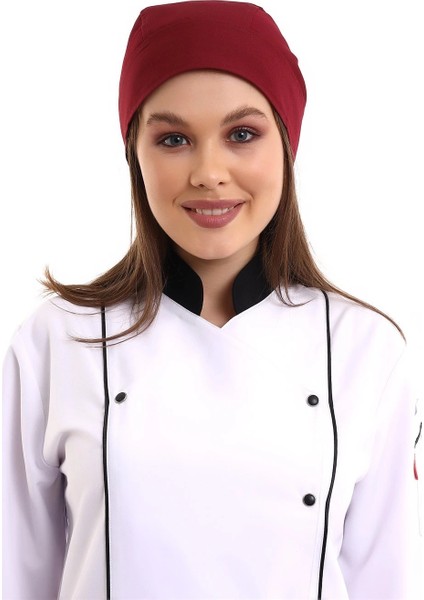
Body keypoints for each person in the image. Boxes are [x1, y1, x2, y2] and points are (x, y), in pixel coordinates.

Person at [2, 1, 422, 599]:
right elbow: (15, 576)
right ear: (136, 155)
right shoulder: (57, 342)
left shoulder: (366, 351)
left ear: (287, 145)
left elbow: (390, 582)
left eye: (241, 135)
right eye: (173, 139)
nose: (209, 172)